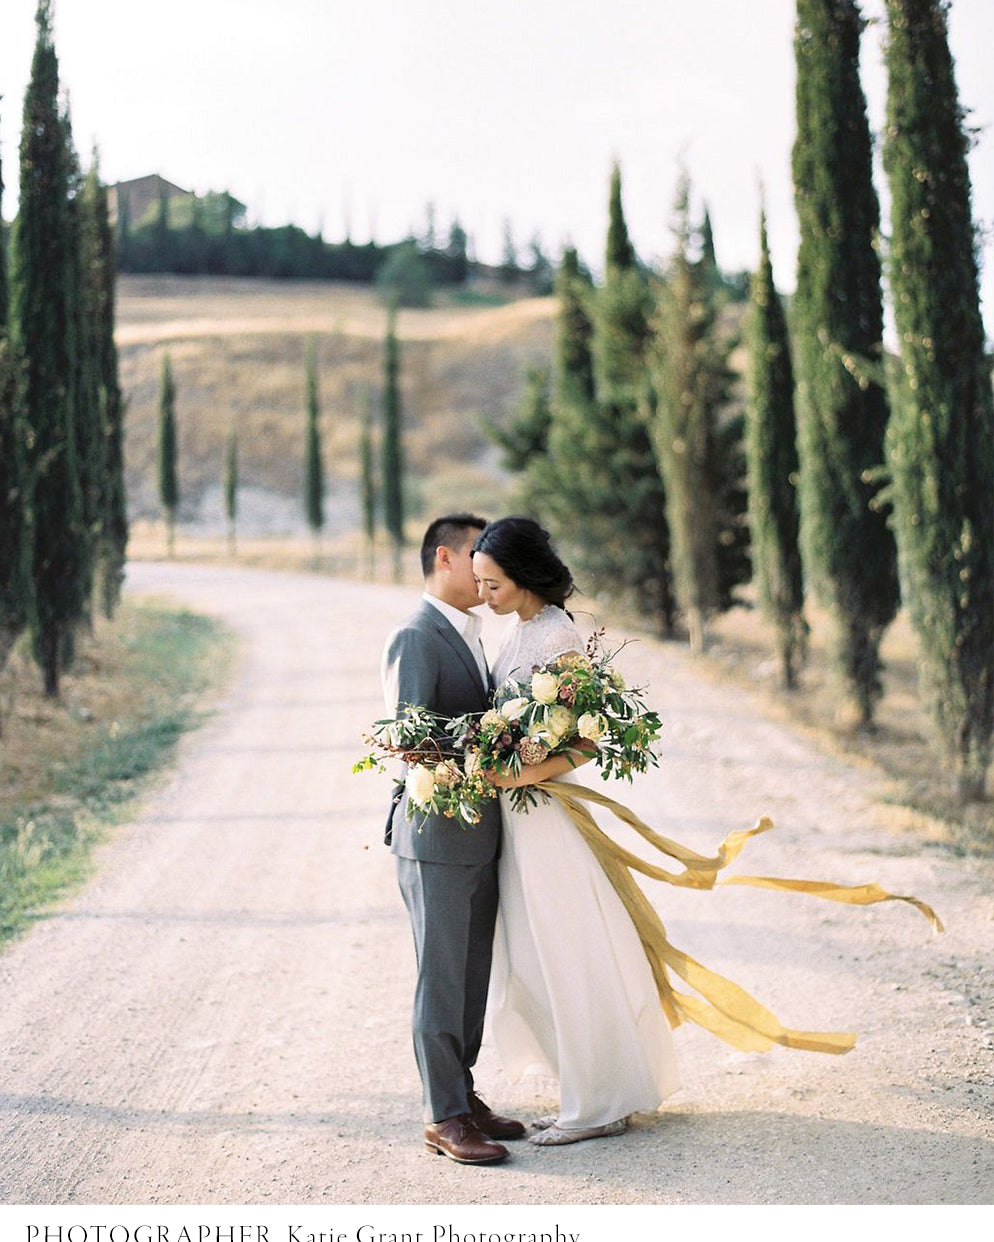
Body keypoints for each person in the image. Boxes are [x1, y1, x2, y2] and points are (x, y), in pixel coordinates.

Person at [472, 516, 680, 1146]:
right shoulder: (522, 629)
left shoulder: (557, 637)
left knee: (567, 951)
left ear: (524, 576)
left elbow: (588, 740)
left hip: (544, 817)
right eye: (480, 584)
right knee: (538, 956)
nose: (485, 597)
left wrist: (524, 773)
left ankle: (596, 1105)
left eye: (493, 585)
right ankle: (590, 1090)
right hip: (519, 817)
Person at [381, 513, 525, 1165]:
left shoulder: (468, 633)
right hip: (435, 836)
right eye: (479, 556)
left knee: (470, 975)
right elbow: (408, 742)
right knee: (441, 979)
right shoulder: (416, 635)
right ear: (446, 558)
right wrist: (493, 739)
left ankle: (464, 1097)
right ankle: (443, 1117)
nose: (489, 571)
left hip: (475, 833)